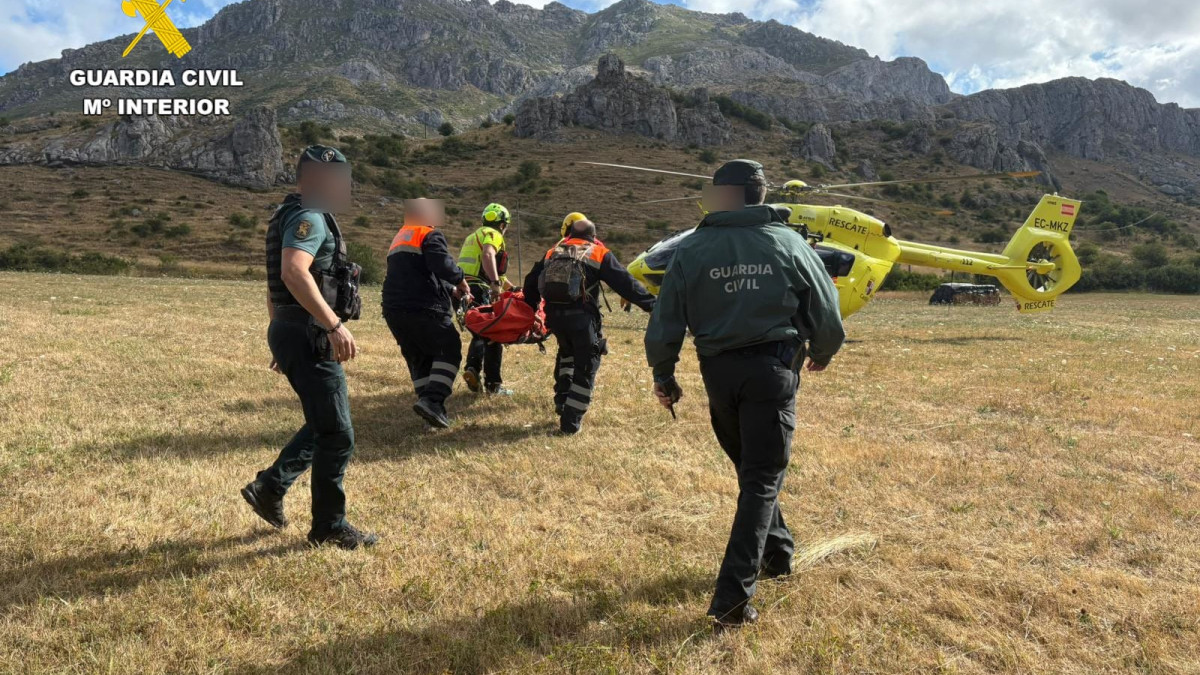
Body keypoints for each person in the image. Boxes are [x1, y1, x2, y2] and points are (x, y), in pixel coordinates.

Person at [644, 159, 845, 629]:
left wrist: (664, 375)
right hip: (771, 370)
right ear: (760, 195)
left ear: (721, 196)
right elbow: (828, 314)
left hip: (718, 374)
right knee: (759, 477)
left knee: (753, 470)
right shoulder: (789, 242)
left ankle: (778, 555)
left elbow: (665, 323)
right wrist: (823, 350)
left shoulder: (690, 250)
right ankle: (732, 601)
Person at [241, 144, 378, 550]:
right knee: (338, 434)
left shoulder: (290, 216)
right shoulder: (310, 218)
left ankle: (271, 486)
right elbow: (292, 272)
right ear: (303, 182)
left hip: (292, 329)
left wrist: (280, 330)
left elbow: (275, 283)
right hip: (307, 332)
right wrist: (331, 323)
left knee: (326, 422)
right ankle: (328, 526)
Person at [523, 218, 655, 434]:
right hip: (581, 319)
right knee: (587, 365)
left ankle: (562, 399)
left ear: (569, 234)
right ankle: (570, 423)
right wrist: (651, 305)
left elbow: (531, 282)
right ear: (593, 236)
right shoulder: (597, 252)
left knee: (566, 353)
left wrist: (532, 308)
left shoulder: (553, 251)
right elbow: (625, 283)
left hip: (554, 319)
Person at [381, 199, 472, 429]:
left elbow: (419, 271)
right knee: (448, 349)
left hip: (394, 310)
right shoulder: (428, 234)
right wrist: (460, 280)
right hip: (423, 307)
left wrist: (449, 289)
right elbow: (440, 262)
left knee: (419, 357)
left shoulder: (400, 237)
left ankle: (427, 407)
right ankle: (433, 400)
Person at [457, 203, 513, 395]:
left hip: (461, 290)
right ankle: (492, 384)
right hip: (478, 288)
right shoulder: (493, 234)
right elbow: (488, 255)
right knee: (490, 334)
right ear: (503, 224)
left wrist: (512, 289)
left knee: (481, 332)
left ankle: (475, 372)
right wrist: (495, 284)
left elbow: (498, 273)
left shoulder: (473, 236)